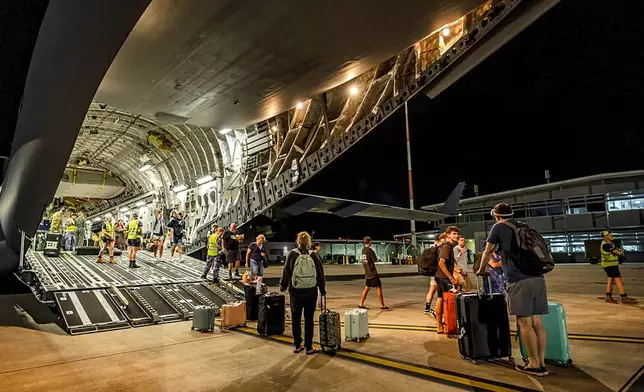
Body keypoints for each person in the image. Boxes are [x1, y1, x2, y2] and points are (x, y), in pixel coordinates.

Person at [476, 203, 548, 377]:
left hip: (518, 280)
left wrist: (481, 269)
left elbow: (487, 251)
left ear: (496, 215)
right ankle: (542, 362)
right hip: (538, 278)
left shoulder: (498, 227)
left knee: (524, 323)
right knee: (537, 323)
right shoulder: (522, 225)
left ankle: (533, 364)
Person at [280, 231, 327, 355]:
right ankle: (309, 346)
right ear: (309, 242)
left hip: (296, 291)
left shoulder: (292, 254)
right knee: (309, 319)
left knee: (296, 318)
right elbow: (320, 274)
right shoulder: (314, 255)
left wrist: (283, 286)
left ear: (298, 241)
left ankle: (297, 345)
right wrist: (322, 289)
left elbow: (287, 271)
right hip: (311, 291)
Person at [434, 226, 459, 334]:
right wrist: (451, 278)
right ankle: (442, 324)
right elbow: (441, 263)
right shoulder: (447, 247)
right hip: (443, 277)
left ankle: (441, 325)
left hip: (440, 276)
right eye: (454, 234)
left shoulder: (446, 246)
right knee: (445, 301)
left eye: (457, 234)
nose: (456, 236)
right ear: (448, 235)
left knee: (440, 299)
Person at [600, 230, 636, 304]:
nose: (611, 236)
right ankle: (623, 297)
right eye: (610, 235)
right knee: (618, 280)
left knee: (611, 279)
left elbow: (617, 249)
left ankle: (608, 296)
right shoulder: (606, 245)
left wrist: (619, 251)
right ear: (605, 237)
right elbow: (617, 252)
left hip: (611, 265)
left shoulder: (609, 243)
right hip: (610, 265)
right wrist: (620, 252)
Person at [358, 236, 389, 310]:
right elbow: (374, 259)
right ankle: (382, 305)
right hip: (372, 272)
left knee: (367, 288)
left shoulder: (363, 250)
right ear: (370, 242)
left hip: (367, 272)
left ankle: (361, 303)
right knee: (378, 287)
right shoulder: (369, 250)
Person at [424, 233, 446, 316]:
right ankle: (441, 312)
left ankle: (427, 307)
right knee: (441, 294)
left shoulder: (430, 247)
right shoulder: (439, 247)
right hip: (438, 272)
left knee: (431, 290)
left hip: (431, 272)